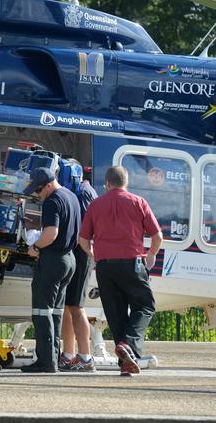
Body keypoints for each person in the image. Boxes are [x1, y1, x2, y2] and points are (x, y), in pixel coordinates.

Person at [79, 166, 162, 376]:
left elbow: (83, 239)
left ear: (107, 183)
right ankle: (128, 345)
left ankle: (125, 362)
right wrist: (151, 254)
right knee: (144, 306)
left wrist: (93, 254)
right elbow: (157, 236)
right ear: (126, 183)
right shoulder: (138, 202)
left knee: (115, 314)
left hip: (105, 266)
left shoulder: (96, 205)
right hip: (132, 263)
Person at [22, 167, 80, 373]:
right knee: (55, 312)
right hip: (69, 260)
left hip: (52, 260)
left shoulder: (52, 200)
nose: (38, 195)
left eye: (38, 190)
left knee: (41, 311)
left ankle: (45, 361)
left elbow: (51, 233)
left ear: (48, 185)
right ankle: (53, 358)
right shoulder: (71, 196)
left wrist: (35, 246)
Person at [59, 160, 98, 372]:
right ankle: (68, 354)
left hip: (81, 253)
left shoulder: (83, 193)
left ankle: (85, 356)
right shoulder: (83, 190)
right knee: (67, 306)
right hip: (79, 252)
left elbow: (82, 228)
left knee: (76, 306)